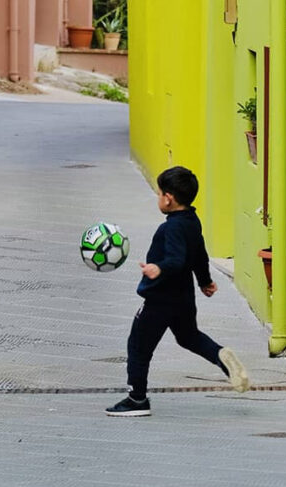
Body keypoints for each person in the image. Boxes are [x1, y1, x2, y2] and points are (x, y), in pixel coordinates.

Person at [106, 166, 250, 417]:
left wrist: (158, 269)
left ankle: (137, 399)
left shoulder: (170, 228)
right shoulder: (192, 222)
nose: (158, 198)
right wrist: (204, 281)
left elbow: (176, 259)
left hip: (160, 300)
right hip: (183, 298)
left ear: (168, 198)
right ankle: (220, 356)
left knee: (138, 346)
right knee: (188, 336)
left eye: (159, 193)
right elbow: (199, 254)